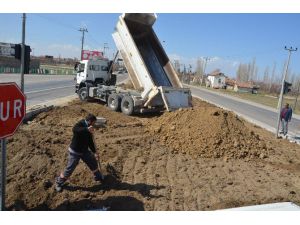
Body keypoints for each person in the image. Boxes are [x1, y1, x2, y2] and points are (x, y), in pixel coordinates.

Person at [55, 113, 104, 192]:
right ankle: (58, 182)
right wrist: (86, 129)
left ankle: (98, 176)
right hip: (75, 151)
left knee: (92, 162)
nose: (94, 124)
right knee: (70, 168)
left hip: (84, 150)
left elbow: (90, 141)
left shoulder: (90, 127)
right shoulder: (80, 124)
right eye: (93, 122)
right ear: (89, 121)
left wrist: (94, 152)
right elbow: (75, 129)